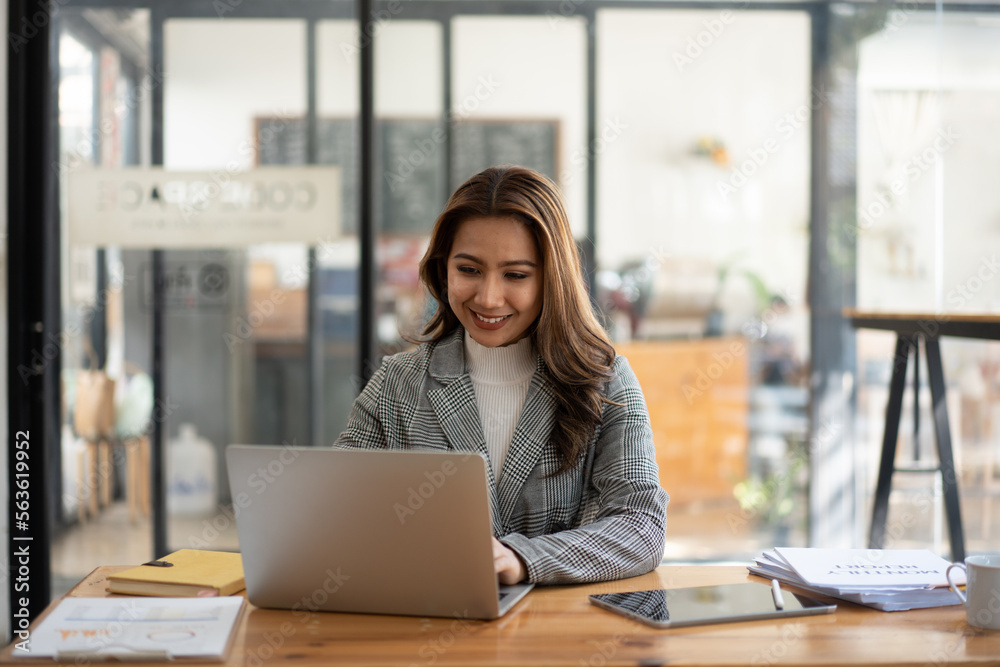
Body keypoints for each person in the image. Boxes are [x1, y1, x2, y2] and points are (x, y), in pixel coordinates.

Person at [334, 165, 668, 585]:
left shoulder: (604, 380)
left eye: (516, 275)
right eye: (469, 270)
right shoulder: (397, 384)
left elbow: (641, 528)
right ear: (444, 270)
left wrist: (523, 558)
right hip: (427, 629)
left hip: (558, 638)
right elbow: (340, 515)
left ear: (552, 279)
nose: (489, 298)